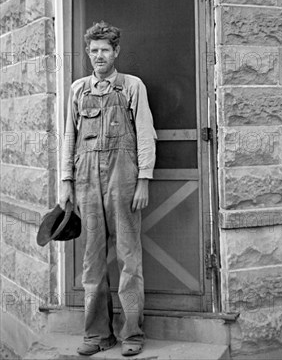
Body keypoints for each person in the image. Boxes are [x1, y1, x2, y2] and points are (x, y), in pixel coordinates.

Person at [60, 21, 156, 357]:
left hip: (124, 178)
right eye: (94, 50)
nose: (99, 56)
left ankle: (132, 334)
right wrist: (66, 181)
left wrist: (144, 179)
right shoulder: (78, 89)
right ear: (88, 53)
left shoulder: (132, 87)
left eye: (105, 50)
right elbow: (69, 137)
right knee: (92, 261)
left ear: (116, 52)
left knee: (129, 258)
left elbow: (144, 134)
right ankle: (98, 334)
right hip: (85, 179)